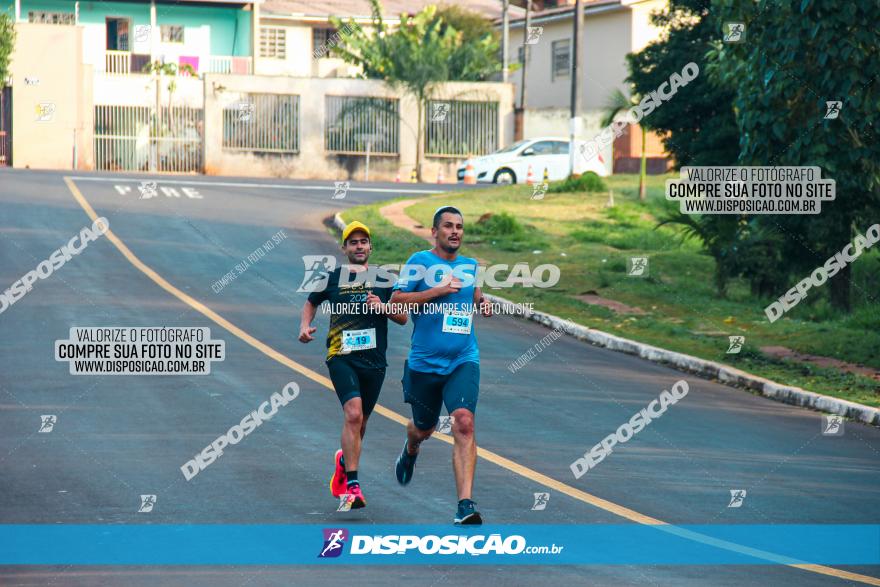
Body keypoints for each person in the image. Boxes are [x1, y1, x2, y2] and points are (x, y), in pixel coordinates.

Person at [390, 206, 492, 525]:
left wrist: (482, 302)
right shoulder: (419, 262)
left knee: (463, 421)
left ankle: (465, 505)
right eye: (448, 226)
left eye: (459, 226)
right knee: (424, 428)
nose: (455, 231)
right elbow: (396, 301)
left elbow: (474, 294)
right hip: (424, 363)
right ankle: (410, 448)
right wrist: (437, 291)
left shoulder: (470, 265)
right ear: (434, 232)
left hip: (463, 358)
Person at [299, 221, 407, 509]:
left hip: (374, 362)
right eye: (353, 242)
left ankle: (343, 463)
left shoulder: (385, 278)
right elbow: (311, 302)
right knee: (354, 414)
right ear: (344, 248)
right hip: (341, 356)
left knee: (361, 423)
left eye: (363, 242)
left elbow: (402, 316)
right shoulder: (332, 277)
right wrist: (305, 326)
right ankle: (353, 486)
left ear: (370, 247)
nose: (359, 246)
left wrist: (382, 307)